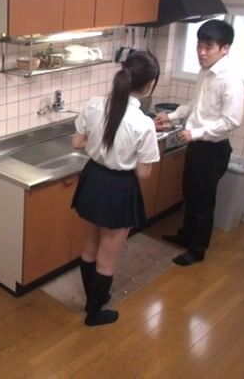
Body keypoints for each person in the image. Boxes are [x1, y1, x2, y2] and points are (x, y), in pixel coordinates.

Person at [71, 51, 161, 326]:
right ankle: (94, 313)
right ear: (149, 85)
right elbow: (144, 173)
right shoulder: (143, 123)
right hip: (118, 187)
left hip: (93, 179)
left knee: (90, 247)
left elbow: (77, 142)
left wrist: (100, 147)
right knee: (107, 258)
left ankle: (92, 300)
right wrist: (126, 156)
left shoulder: (94, 105)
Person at [155, 19, 244, 267]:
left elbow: (231, 121)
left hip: (213, 150)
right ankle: (186, 235)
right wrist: (171, 116)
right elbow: (196, 105)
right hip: (197, 146)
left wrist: (196, 133)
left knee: (203, 201)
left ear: (224, 48)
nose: (201, 53)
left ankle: (197, 250)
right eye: (199, 46)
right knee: (190, 195)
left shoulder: (230, 79)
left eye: (208, 47)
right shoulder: (206, 72)